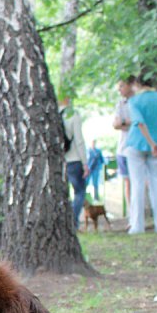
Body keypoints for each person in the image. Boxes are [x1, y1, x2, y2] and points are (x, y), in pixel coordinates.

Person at [125, 74, 157, 235]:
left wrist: (150, 143)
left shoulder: (134, 101)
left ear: (139, 84)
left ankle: (137, 226)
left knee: (137, 184)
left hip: (136, 144)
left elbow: (139, 123)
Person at [59, 90, 90, 229]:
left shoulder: (55, 115)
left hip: (62, 161)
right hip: (75, 159)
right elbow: (79, 140)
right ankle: (73, 221)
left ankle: (66, 222)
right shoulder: (73, 115)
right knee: (80, 192)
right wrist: (85, 163)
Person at [112, 75, 137, 205]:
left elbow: (139, 123)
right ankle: (131, 214)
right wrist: (125, 122)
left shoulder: (139, 102)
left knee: (139, 181)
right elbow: (115, 124)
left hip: (137, 147)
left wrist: (124, 122)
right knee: (127, 182)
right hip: (123, 148)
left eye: (122, 85)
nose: (119, 89)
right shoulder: (121, 104)